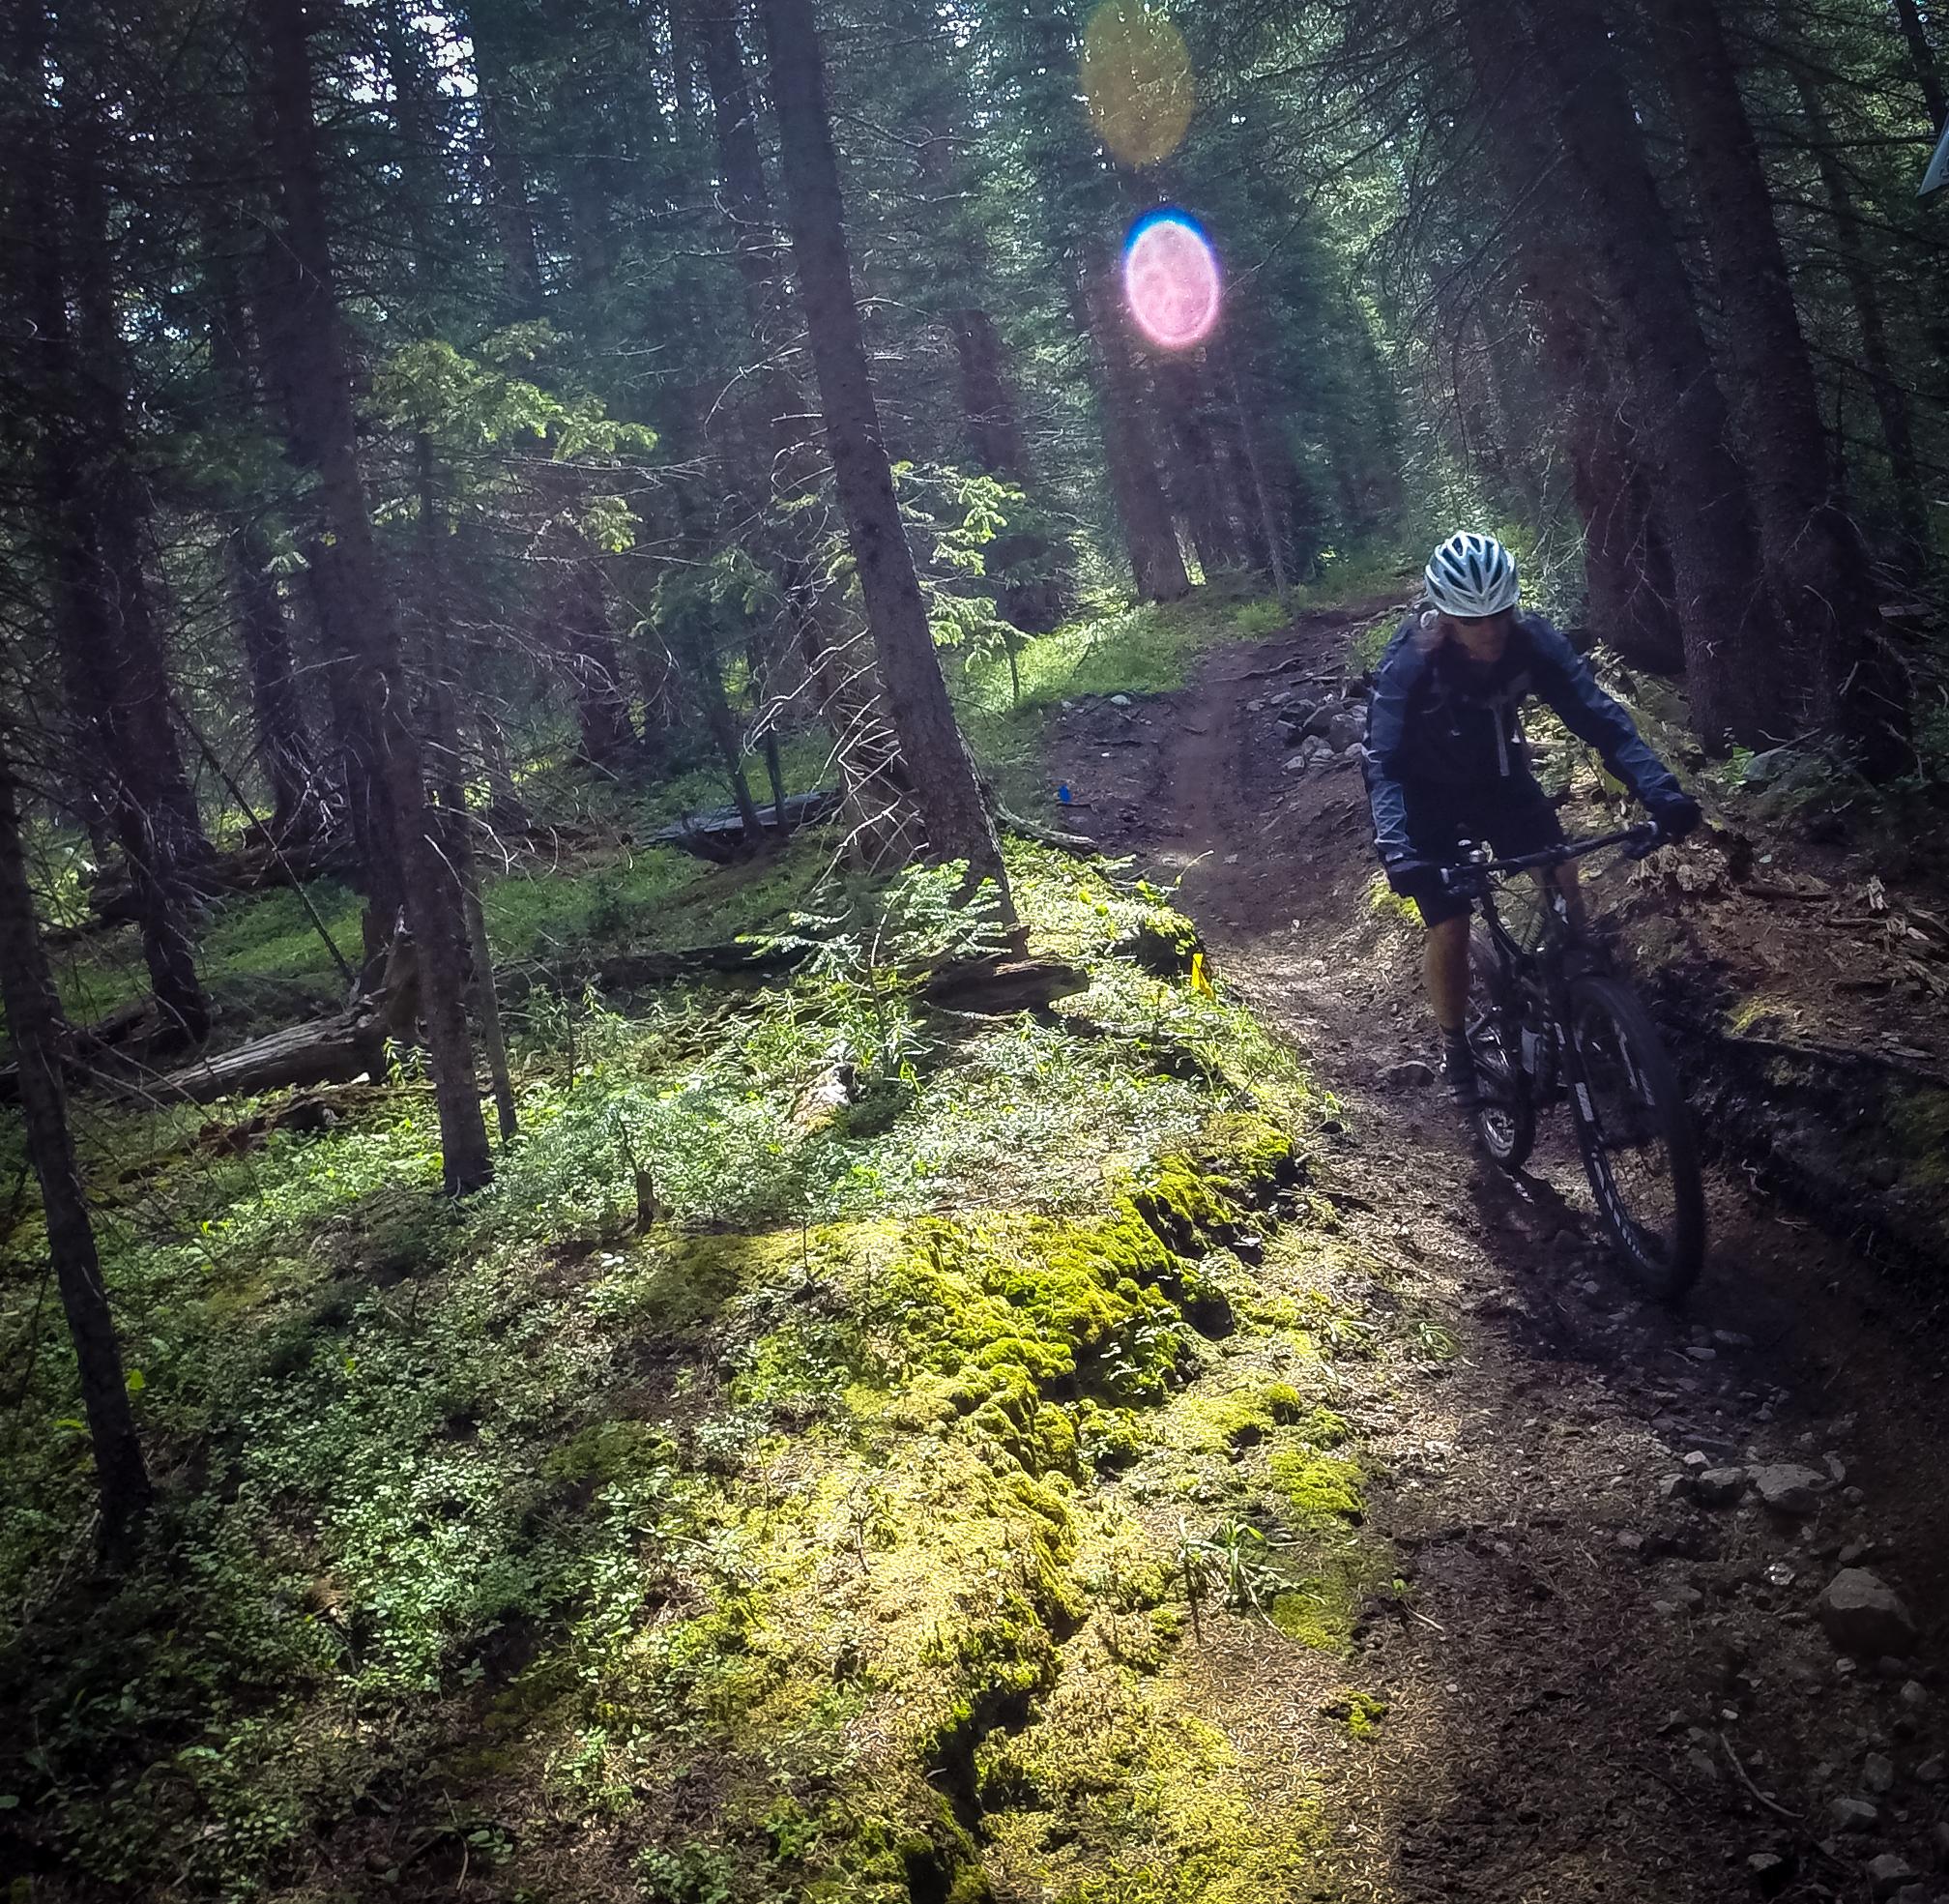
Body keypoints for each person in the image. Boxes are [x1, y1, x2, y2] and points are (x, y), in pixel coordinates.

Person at [1363, 531, 1701, 1106]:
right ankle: (1455, 1047)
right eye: (1473, 620)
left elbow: (1600, 719)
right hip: (1424, 797)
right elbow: (1384, 761)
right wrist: (1399, 851)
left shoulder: (1532, 641)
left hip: (1499, 781)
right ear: (1444, 617)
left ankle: (1574, 999)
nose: (1490, 630)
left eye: (1499, 613)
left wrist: (1661, 792)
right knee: (1450, 923)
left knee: (1562, 872)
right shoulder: (1412, 660)